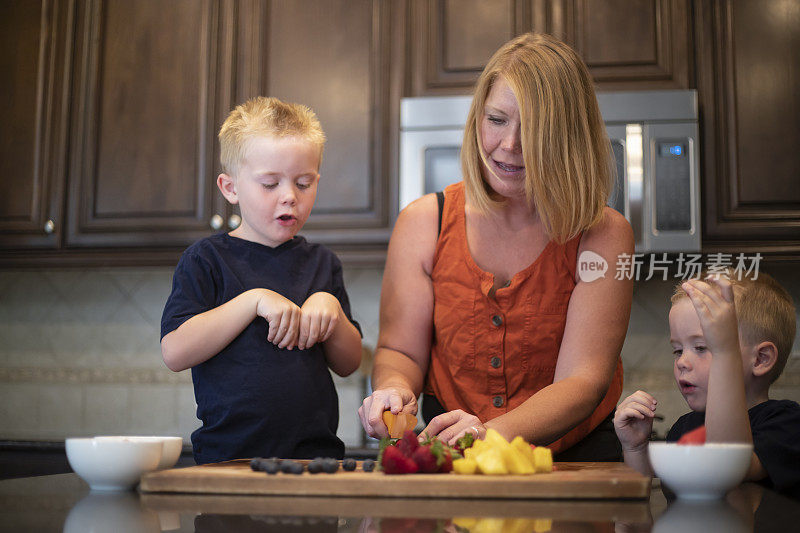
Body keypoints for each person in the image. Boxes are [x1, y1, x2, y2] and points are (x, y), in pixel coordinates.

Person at [358, 32, 634, 460]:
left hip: (573, 462)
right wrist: (393, 390)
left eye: (535, 129)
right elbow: (399, 350)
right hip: (451, 456)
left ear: (569, 137)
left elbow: (583, 380)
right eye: (498, 119)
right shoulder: (423, 222)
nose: (510, 145)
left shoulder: (603, 234)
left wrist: (488, 436)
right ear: (477, 119)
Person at [161, 96, 362, 464]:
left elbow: (349, 363)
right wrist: (251, 300)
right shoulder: (207, 260)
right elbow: (175, 352)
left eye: (304, 183)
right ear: (230, 188)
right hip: (228, 461)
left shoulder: (322, 263)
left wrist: (332, 312)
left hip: (314, 462)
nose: (290, 197)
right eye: (270, 184)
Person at [614, 272, 800, 496]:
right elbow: (640, 499)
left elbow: (728, 467)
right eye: (678, 350)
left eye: (702, 347)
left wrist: (724, 350)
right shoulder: (684, 428)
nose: (682, 362)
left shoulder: (786, 424)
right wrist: (635, 448)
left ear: (761, 359)